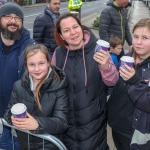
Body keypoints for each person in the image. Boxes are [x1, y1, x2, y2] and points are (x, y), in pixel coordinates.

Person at [52, 12, 119, 150]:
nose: (73, 33)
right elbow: (53, 86)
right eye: (66, 30)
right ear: (61, 35)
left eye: (75, 27)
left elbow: (112, 81)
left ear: (81, 27)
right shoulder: (58, 54)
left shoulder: (98, 50)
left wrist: (106, 66)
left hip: (94, 123)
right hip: (67, 124)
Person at [4, 44, 69, 150]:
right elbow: (8, 112)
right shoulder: (18, 86)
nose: (37, 69)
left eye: (41, 63)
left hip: (49, 146)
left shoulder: (58, 86)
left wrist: (37, 124)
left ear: (48, 62)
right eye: (32, 65)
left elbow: (62, 123)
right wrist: (12, 118)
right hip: (26, 145)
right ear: (26, 65)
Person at [107, 18, 150, 150]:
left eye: (145, 38)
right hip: (116, 124)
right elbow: (114, 85)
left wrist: (134, 81)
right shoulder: (129, 56)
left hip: (136, 131)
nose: (138, 42)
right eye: (136, 36)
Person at [0, 2, 35, 150]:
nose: (13, 21)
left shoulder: (31, 46)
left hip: (20, 118)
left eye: (17, 18)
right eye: (8, 16)